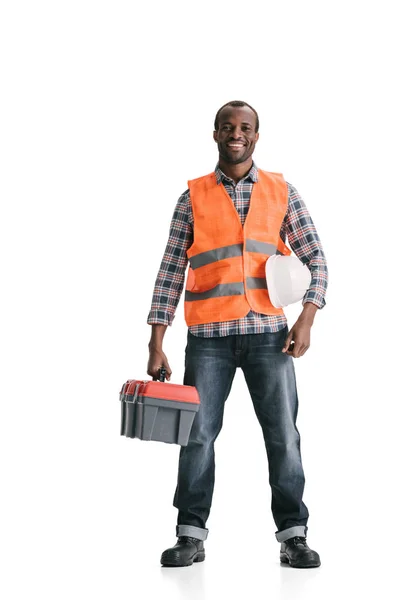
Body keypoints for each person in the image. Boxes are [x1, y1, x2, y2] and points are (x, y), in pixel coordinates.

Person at [146, 100, 328, 568]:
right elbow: (170, 270)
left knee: (283, 436)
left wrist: (306, 318)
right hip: (209, 339)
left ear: (256, 135)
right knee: (198, 436)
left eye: (245, 127)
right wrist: (156, 340)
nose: (236, 133)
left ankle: (294, 535)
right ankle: (190, 534)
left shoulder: (281, 191)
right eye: (228, 126)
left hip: (270, 335)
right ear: (215, 133)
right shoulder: (192, 197)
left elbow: (317, 260)